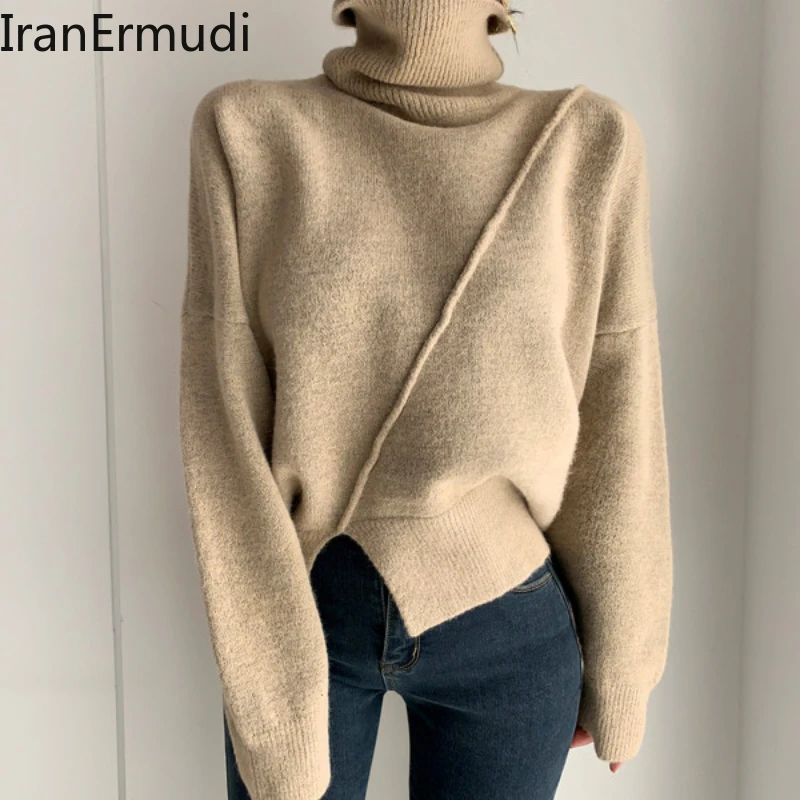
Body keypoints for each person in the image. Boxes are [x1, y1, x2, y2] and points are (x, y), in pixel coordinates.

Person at [177, 1, 674, 798]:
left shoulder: (589, 143)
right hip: (303, 615)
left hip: (510, 621)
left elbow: (620, 411)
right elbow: (221, 424)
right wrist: (273, 703)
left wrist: (624, 661)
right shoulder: (250, 132)